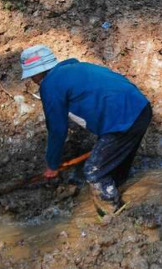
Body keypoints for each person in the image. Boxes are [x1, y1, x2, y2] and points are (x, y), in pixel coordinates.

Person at [20, 45, 152, 216]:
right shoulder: (77, 68)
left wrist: (52, 164)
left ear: (38, 73)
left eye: (32, 76)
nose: (32, 80)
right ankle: (122, 196)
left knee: (94, 171)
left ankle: (112, 216)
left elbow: (57, 129)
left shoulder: (50, 85)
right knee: (115, 166)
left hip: (121, 122)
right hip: (142, 109)